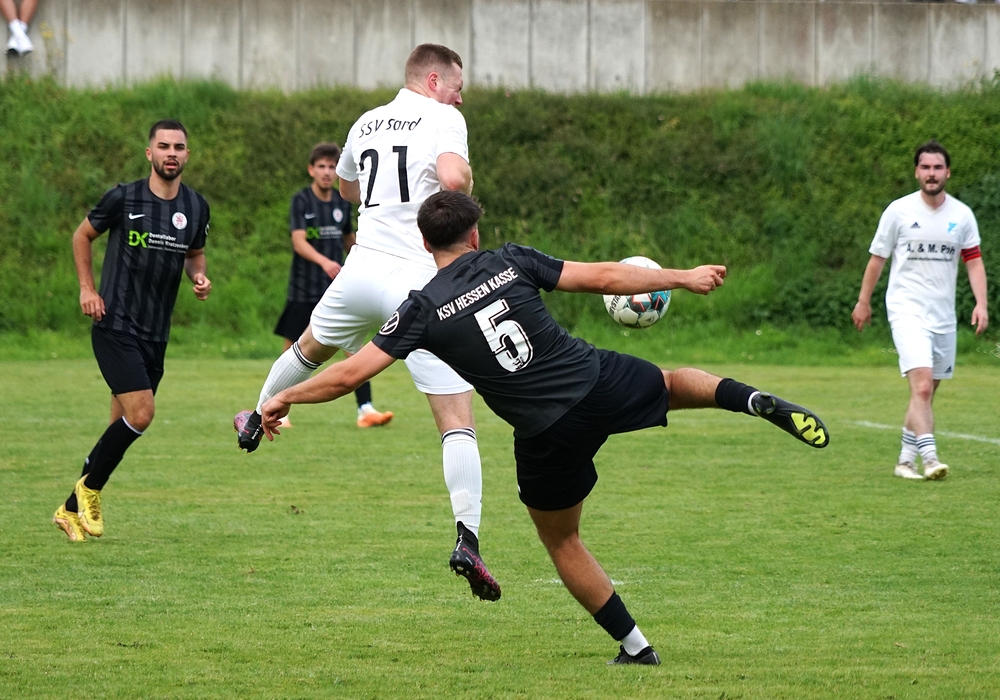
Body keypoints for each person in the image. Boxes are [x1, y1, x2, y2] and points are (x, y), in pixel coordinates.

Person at [258, 190, 830, 665]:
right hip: (594, 379)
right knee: (675, 382)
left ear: (425, 244)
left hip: (545, 432)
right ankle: (751, 399)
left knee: (562, 539)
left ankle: (637, 647)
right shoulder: (511, 259)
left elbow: (348, 375)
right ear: (474, 235)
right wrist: (681, 277)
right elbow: (603, 276)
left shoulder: (420, 310)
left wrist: (283, 397)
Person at [233, 44, 501, 602]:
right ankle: (468, 539)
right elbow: (453, 178)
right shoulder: (444, 117)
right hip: (419, 280)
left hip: (360, 270)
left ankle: (256, 417)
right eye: (458, 87)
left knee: (309, 347)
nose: (460, 98)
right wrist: (462, 187)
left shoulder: (366, 121)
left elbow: (349, 189)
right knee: (456, 418)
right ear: (435, 81)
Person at [53, 119, 211, 542]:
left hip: (156, 333)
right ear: (150, 153)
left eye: (178, 147)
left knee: (119, 429)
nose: (171, 153)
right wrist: (87, 288)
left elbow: (195, 254)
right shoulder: (123, 198)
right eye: (164, 146)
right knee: (141, 414)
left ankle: (70, 509)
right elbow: (82, 236)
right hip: (115, 324)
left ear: (187, 154)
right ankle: (88, 490)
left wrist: (199, 277)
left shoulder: (196, 207)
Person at [852, 140, 989, 481]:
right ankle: (930, 459)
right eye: (925, 167)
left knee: (924, 393)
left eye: (937, 167)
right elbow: (877, 260)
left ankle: (904, 461)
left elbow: (973, 261)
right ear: (916, 172)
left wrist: (981, 303)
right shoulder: (898, 211)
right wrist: (864, 301)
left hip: (942, 316)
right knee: (923, 387)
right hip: (906, 309)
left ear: (948, 173)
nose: (931, 173)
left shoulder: (961, 215)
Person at [274, 142, 393, 429]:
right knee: (293, 349)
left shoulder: (342, 202)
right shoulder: (301, 201)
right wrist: (325, 262)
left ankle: (365, 409)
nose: (327, 172)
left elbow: (350, 241)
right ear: (311, 170)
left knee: (353, 348)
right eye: (321, 167)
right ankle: (278, 409)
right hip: (304, 288)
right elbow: (299, 242)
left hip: (337, 288)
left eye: (331, 167)